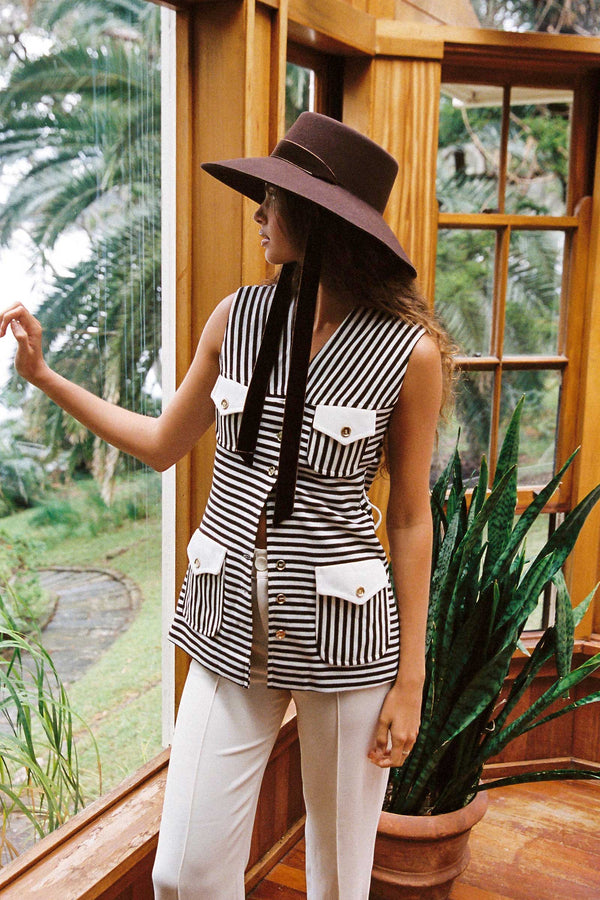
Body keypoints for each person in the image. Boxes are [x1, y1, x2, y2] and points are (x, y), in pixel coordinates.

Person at [0, 112, 453, 900]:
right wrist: (45, 378)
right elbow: (160, 444)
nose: (258, 213)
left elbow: (412, 517)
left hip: (347, 638)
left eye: (273, 199)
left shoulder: (408, 353)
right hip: (225, 618)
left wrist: (411, 679)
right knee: (184, 872)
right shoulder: (235, 319)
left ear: (317, 216)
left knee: (338, 882)